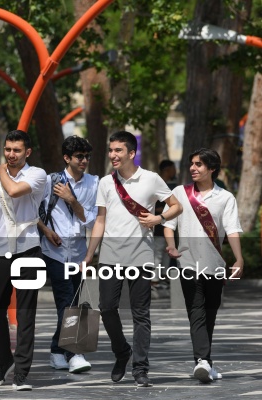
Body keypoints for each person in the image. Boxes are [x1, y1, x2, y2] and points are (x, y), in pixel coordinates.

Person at [83, 131, 183, 387]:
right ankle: (122, 351)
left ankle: (140, 368)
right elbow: (100, 221)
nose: (113, 155)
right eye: (110, 150)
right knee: (106, 308)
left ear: (131, 153)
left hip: (141, 256)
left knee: (141, 314)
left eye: (118, 150)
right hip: (109, 257)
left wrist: (158, 219)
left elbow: (176, 206)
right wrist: (89, 255)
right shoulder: (106, 182)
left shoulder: (151, 179)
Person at [0, 130, 46, 391]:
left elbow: (14, 191)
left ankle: (22, 371)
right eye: (7, 149)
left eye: (16, 150)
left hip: (28, 250)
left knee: (26, 314)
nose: (11, 155)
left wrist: (1, 170)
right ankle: (5, 361)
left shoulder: (37, 175)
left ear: (27, 152)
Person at [163, 148, 243, 384]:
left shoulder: (225, 197)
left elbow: (232, 229)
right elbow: (169, 224)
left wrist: (238, 259)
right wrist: (171, 246)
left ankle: (205, 362)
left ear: (212, 169)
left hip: (215, 265)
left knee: (209, 314)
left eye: (199, 164)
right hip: (187, 263)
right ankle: (202, 360)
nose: (193, 168)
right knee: (196, 312)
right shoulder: (180, 192)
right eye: (192, 164)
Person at [38, 136, 98, 374]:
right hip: (55, 251)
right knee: (66, 302)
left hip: (80, 251)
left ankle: (56, 351)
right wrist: (47, 231)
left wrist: (72, 201)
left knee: (78, 302)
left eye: (87, 156)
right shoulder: (50, 181)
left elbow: (90, 219)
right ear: (67, 158)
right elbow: (32, 213)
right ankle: (75, 353)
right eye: (79, 157)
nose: (84, 161)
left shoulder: (94, 183)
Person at [151, 159, 177, 299]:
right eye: (173, 169)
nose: (175, 172)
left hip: (170, 226)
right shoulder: (157, 184)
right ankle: (154, 282)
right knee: (158, 254)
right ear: (167, 170)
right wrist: (164, 210)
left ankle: (164, 279)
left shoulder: (174, 185)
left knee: (167, 253)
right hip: (158, 227)